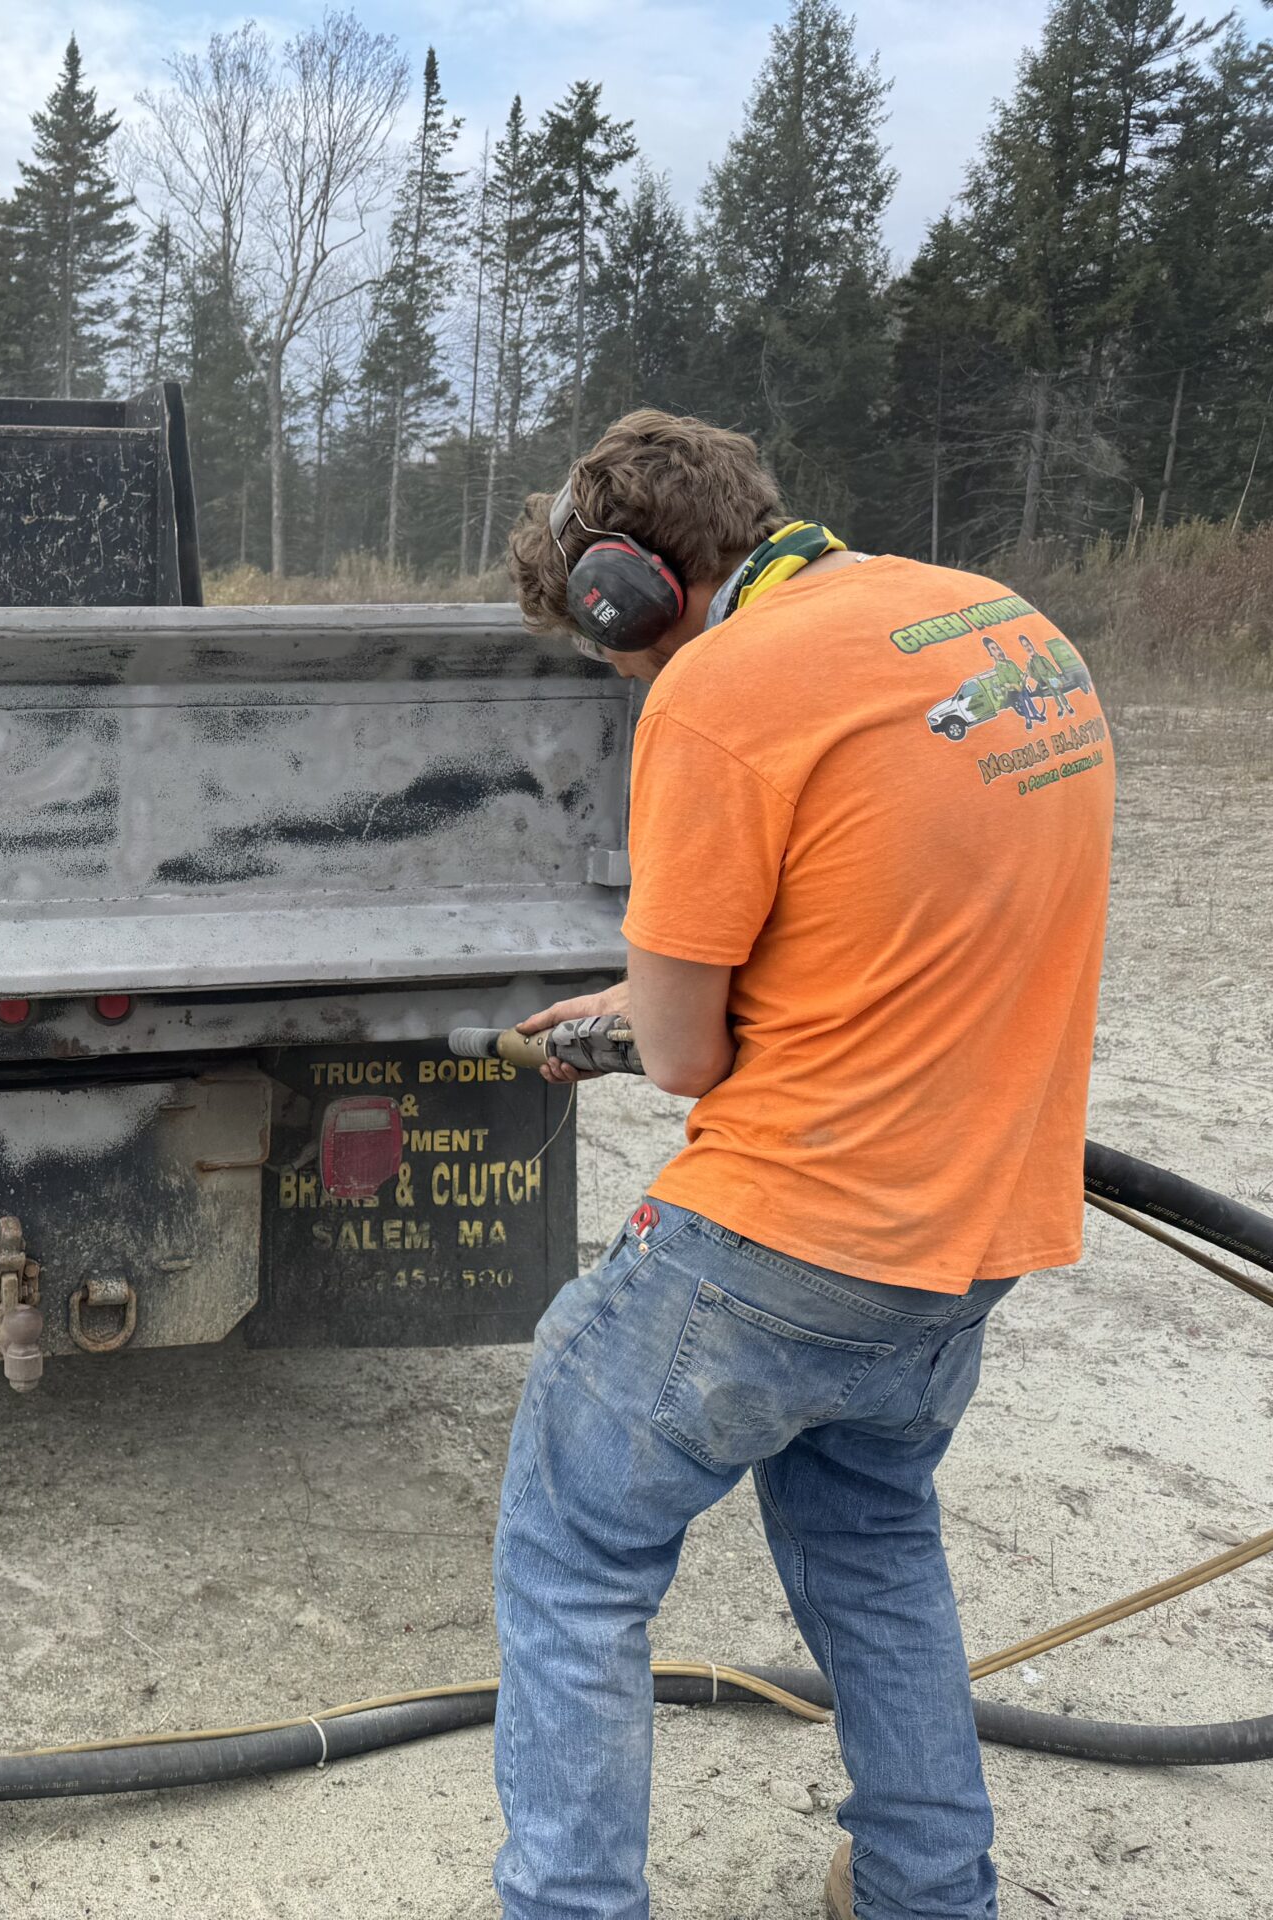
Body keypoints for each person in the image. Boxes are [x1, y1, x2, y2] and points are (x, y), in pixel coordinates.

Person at [492, 411, 1114, 1920]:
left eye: (610, 649)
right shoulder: (1007, 631)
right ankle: (926, 1892)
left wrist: (643, 1020)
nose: (624, 675)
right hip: (967, 1243)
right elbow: (884, 921)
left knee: (574, 1554)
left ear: (626, 593)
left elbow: (687, 1060)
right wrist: (646, 995)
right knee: (876, 1547)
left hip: (783, 1237)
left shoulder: (718, 693)